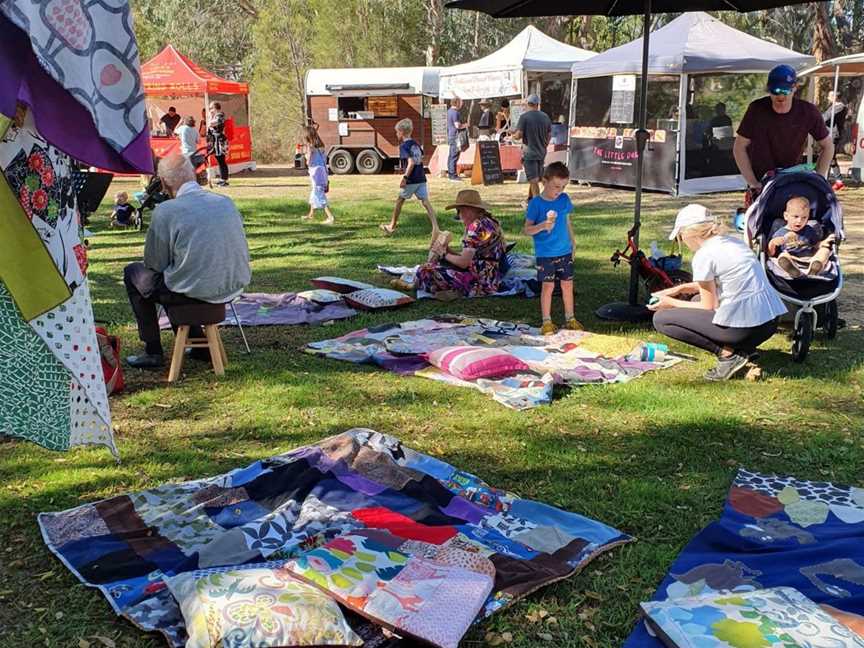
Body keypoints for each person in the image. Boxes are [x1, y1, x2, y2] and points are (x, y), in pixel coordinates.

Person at [124, 155, 250, 368]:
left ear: (163, 183)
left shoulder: (166, 211)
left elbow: (154, 263)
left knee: (134, 273)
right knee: (179, 275)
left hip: (194, 290)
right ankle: (199, 345)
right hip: (231, 285)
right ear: (193, 174)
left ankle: (153, 350)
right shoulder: (226, 202)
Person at [650, 204, 786, 381]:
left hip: (746, 328)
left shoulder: (704, 255)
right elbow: (722, 283)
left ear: (690, 233)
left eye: (680, 237)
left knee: (662, 319)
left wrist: (670, 302)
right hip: (769, 322)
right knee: (697, 297)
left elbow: (708, 306)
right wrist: (680, 289)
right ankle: (744, 349)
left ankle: (727, 355)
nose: (682, 241)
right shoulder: (733, 242)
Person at [733, 65, 832, 206]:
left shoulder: (808, 111)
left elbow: (828, 146)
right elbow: (739, 147)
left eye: (785, 90)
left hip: (793, 181)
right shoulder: (756, 109)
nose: (781, 96)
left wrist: (818, 179)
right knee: (758, 224)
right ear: (769, 90)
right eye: (775, 91)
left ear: (795, 88)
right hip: (761, 184)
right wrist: (753, 182)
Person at [394, 189, 505, 300]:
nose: (460, 216)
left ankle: (455, 290)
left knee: (425, 271)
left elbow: (463, 263)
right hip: (493, 277)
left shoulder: (476, 227)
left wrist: (443, 254)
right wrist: (448, 251)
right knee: (430, 268)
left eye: (459, 211)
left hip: (480, 281)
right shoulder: (490, 222)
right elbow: (472, 256)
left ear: (468, 210)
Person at [523, 162, 582, 335]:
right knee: (548, 286)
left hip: (564, 250)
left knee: (567, 284)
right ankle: (546, 321)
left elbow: (567, 221)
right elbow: (527, 229)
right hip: (545, 253)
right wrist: (542, 226)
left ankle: (570, 317)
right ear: (544, 181)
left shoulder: (564, 200)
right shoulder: (536, 204)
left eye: (563, 187)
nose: (559, 191)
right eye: (556, 186)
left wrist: (573, 241)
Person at [380, 118, 438, 237]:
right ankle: (436, 227)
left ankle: (392, 226)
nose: (396, 134)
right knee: (425, 202)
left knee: (400, 200)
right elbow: (420, 158)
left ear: (401, 132)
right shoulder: (416, 144)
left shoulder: (404, 146)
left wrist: (405, 178)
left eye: (397, 132)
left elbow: (411, 162)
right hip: (421, 177)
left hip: (411, 179)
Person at [768, 196, 834, 277]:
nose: (799, 221)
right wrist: (773, 243)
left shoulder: (809, 230)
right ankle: (793, 270)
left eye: (804, 217)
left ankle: (815, 267)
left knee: (825, 251)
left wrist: (823, 243)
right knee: (782, 256)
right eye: (796, 217)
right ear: (786, 216)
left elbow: (815, 245)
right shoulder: (780, 233)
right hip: (791, 258)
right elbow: (771, 254)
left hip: (810, 258)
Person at [511, 94, 552, 204]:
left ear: (528, 104)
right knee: (537, 177)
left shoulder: (524, 117)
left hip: (529, 153)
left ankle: (537, 204)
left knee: (534, 180)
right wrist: (544, 145)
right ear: (537, 104)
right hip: (541, 152)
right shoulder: (545, 117)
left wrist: (512, 136)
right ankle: (530, 200)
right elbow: (549, 135)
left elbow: (519, 135)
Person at [303, 126, 335, 224]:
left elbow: (308, 161)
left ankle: (330, 217)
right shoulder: (321, 146)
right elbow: (324, 159)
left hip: (315, 172)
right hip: (323, 171)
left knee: (319, 193)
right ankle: (311, 214)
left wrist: (304, 154)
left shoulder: (310, 147)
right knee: (315, 192)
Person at [207, 101, 230, 187]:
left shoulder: (220, 115)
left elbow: (211, 124)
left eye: (211, 108)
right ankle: (222, 178)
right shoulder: (215, 116)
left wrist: (210, 116)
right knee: (219, 160)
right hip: (215, 140)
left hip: (220, 140)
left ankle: (224, 179)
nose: (210, 110)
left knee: (221, 160)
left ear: (215, 108)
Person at [447, 97, 464, 182]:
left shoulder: (449, 111)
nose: (462, 104)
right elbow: (457, 125)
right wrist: (465, 125)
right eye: (461, 102)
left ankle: (451, 174)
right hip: (455, 136)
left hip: (451, 135)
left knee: (451, 155)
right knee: (454, 155)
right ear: (457, 103)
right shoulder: (455, 113)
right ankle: (452, 176)